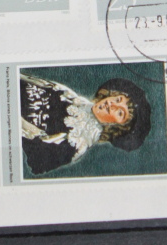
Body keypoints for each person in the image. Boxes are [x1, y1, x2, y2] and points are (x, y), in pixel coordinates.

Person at [20, 73, 152, 176]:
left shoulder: (78, 143)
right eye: (118, 99)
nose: (111, 104)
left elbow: (37, 162)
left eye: (120, 112)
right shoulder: (72, 97)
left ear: (116, 127)